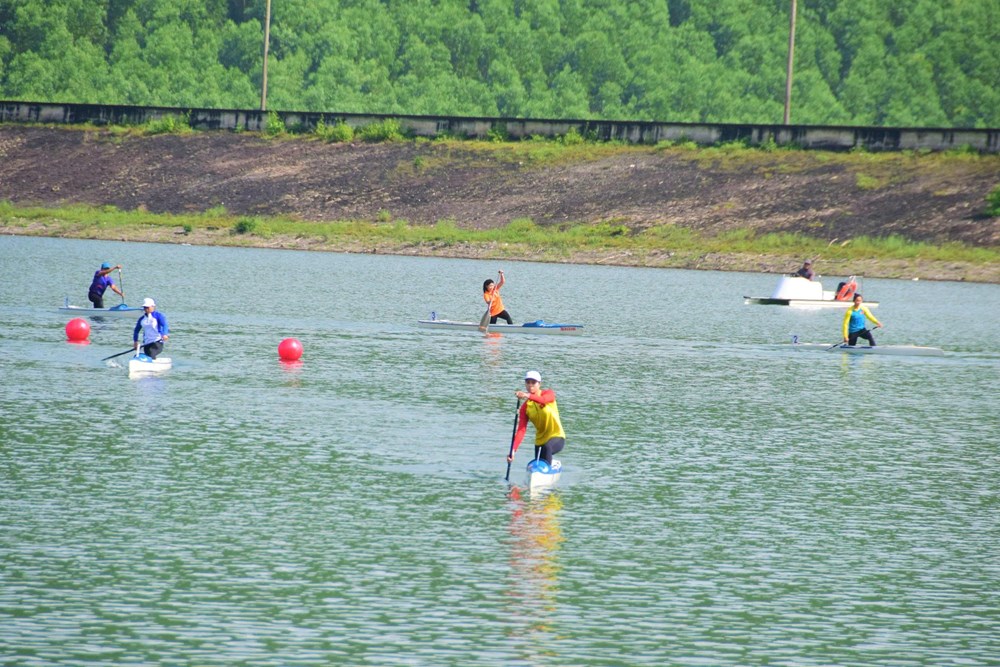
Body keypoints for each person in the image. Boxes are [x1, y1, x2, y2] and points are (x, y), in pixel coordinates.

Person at [508, 371, 566, 466]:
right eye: (528, 382)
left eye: (533, 382)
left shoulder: (548, 394)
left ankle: (549, 469)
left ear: (539, 384)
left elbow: (543, 400)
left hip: (557, 436)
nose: (530, 385)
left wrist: (527, 395)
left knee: (547, 447)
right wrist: (513, 450)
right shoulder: (525, 408)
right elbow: (521, 431)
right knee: (538, 463)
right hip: (540, 442)